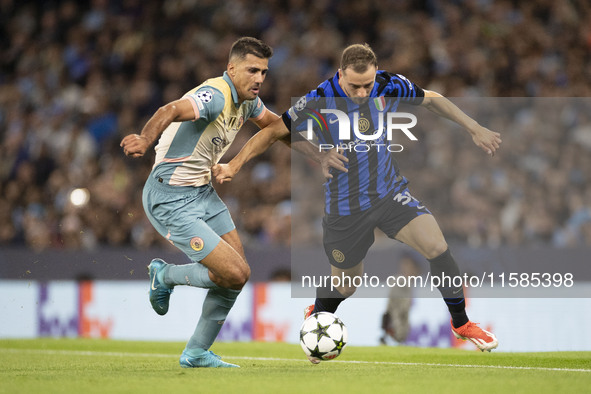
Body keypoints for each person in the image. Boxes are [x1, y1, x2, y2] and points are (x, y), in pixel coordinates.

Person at [213, 43, 501, 363]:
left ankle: (462, 323)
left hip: (389, 194)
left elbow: (431, 99)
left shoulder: (388, 83)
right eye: (354, 86)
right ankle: (318, 316)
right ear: (340, 75)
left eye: (367, 85)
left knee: (437, 245)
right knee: (347, 285)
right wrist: (235, 165)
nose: (363, 93)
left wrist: (474, 127)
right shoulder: (321, 97)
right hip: (345, 209)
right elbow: (272, 132)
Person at [120, 37, 283, 368]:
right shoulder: (214, 96)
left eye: (264, 72)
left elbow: (278, 127)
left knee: (236, 275)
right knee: (235, 272)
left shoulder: (249, 102)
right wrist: (145, 138)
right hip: (170, 197)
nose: (259, 79)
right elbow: (171, 109)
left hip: (202, 193)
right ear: (231, 68)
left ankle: (196, 353)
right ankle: (165, 276)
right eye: (252, 70)